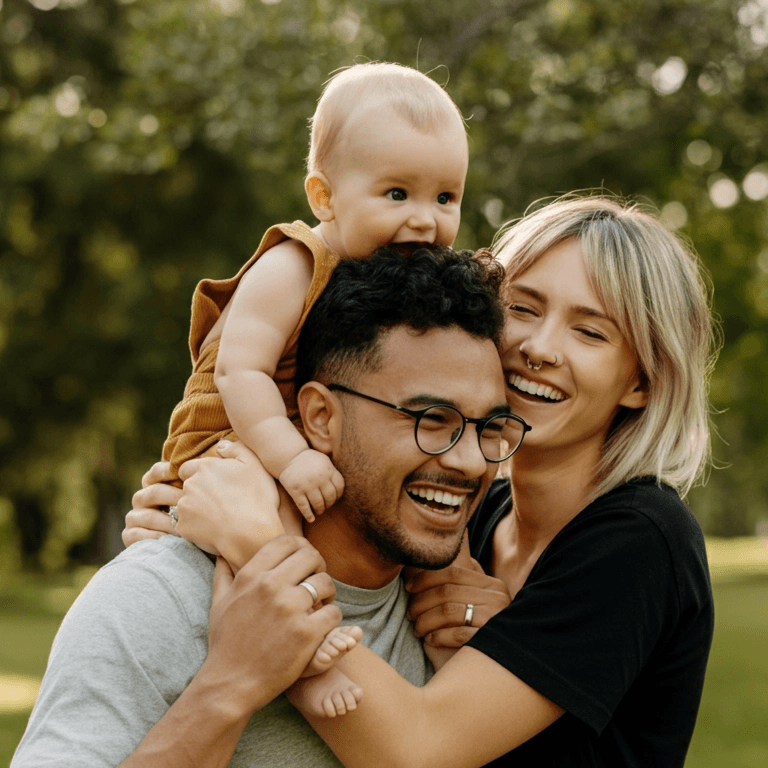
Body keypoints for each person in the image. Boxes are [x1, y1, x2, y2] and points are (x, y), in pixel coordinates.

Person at [135, 195, 717, 767]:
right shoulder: (471, 512)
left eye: (589, 332)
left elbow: (419, 750)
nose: (538, 349)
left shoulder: (641, 539)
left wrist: (257, 545)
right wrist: (189, 501)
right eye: (523, 309)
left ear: (641, 382)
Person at [12, 244, 522, 767]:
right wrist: (229, 684)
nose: (470, 462)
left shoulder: (462, 624)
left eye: (490, 427)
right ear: (321, 418)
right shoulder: (161, 596)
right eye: (431, 419)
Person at [161, 60, 469, 714]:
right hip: (232, 438)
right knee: (265, 532)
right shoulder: (294, 263)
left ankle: (449, 627)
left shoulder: (381, 279)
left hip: (290, 433)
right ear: (324, 198)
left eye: (445, 198)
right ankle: (310, 654)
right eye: (397, 194)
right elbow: (239, 373)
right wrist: (290, 457)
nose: (425, 220)